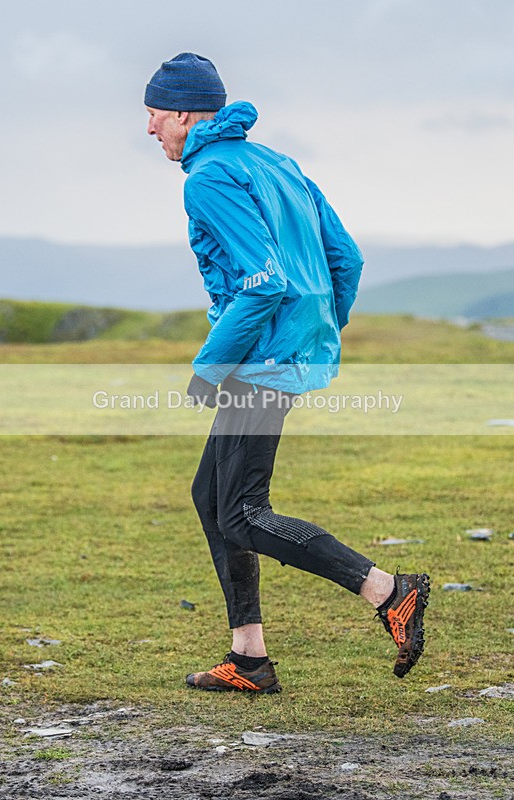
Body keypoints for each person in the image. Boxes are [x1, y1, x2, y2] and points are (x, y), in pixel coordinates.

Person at [144, 53, 430, 694]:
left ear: (185, 115)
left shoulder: (208, 177)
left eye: (155, 114)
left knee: (242, 511)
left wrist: (210, 367)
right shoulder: (275, 162)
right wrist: (319, 333)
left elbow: (261, 283)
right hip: (284, 350)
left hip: (257, 360)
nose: (150, 128)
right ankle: (249, 658)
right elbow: (346, 259)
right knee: (211, 497)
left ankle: (389, 591)